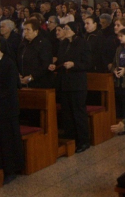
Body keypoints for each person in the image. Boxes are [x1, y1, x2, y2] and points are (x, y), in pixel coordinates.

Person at [49, 22, 91, 153]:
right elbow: (61, 60)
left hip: (77, 83)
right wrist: (54, 66)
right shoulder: (63, 44)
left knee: (78, 112)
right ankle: (70, 137)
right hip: (64, 82)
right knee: (67, 112)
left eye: (67, 29)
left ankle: (84, 141)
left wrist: (74, 64)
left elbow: (87, 63)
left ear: (74, 30)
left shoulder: (82, 43)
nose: (65, 31)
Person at [0, 35, 24, 185]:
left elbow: (10, 88)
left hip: (7, 108)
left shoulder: (9, 64)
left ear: (0, 47)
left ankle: (11, 169)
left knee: (7, 139)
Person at [17, 19, 54, 88]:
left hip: (39, 82)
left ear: (36, 31)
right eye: (24, 30)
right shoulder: (23, 44)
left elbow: (45, 64)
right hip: (24, 82)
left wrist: (32, 77)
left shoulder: (43, 44)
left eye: (28, 30)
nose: (25, 32)